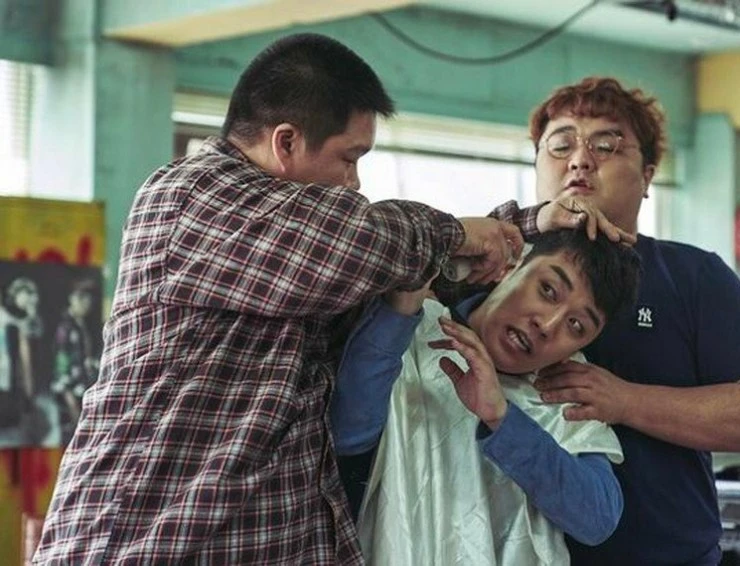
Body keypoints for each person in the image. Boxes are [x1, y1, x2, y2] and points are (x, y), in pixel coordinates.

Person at [32, 33, 566, 565]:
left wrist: (524, 226)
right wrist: (460, 233)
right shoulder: (191, 195)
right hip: (148, 543)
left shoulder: (306, 251)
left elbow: (402, 270)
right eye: (348, 159)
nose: (354, 183)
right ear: (286, 143)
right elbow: (361, 243)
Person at [448, 77, 740, 565]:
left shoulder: (693, 276)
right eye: (561, 145)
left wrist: (626, 401)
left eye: (606, 145)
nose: (580, 160)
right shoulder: (494, 265)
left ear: (648, 176)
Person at [331, 229, 641, 564]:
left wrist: (502, 418)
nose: (548, 325)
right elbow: (346, 435)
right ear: (511, 268)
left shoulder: (563, 394)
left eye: (576, 326)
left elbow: (598, 519)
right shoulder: (413, 327)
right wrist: (400, 311)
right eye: (548, 290)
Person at [52, 279, 99, 444]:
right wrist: (68, 396)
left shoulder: (82, 324)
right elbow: (61, 365)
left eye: (88, 298)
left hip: (83, 389)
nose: (86, 303)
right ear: (71, 299)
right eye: (81, 297)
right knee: (71, 440)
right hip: (71, 393)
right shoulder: (65, 327)